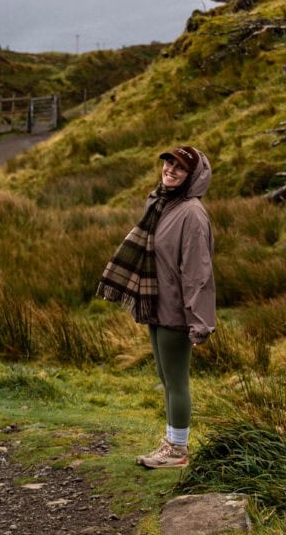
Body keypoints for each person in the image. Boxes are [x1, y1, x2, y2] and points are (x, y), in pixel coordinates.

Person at [96, 145, 215, 469]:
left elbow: (197, 272)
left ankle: (177, 451)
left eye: (180, 167)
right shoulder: (159, 203)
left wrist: (199, 321)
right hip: (155, 303)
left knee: (177, 381)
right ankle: (171, 442)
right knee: (165, 376)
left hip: (176, 309)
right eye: (168, 163)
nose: (170, 170)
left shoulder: (191, 213)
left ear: (193, 176)